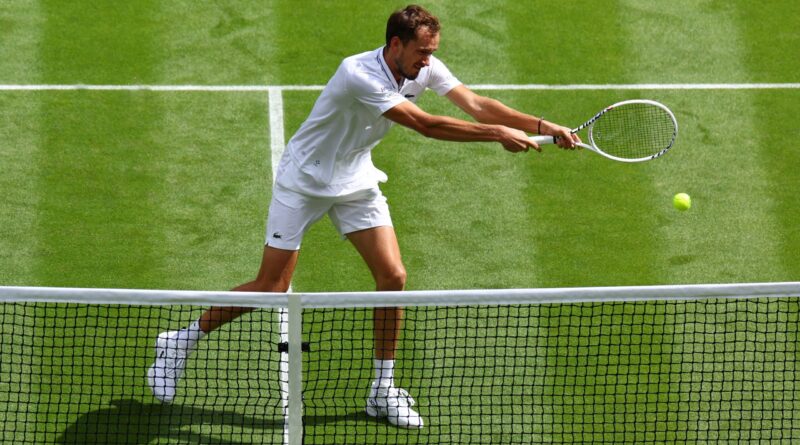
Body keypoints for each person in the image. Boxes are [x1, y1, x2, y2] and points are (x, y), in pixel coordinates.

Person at [147, 4, 579, 429]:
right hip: (305, 180)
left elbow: (477, 105)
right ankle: (179, 342)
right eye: (421, 53)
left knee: (393, 276)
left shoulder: (423, 67)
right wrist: (497, 135)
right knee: (273, 285)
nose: (427, 61)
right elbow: (426, 125)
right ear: (396, 43)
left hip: (355, 178)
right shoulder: (359, 73)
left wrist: (543, 124)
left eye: (431, 53)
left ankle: (382, 390)